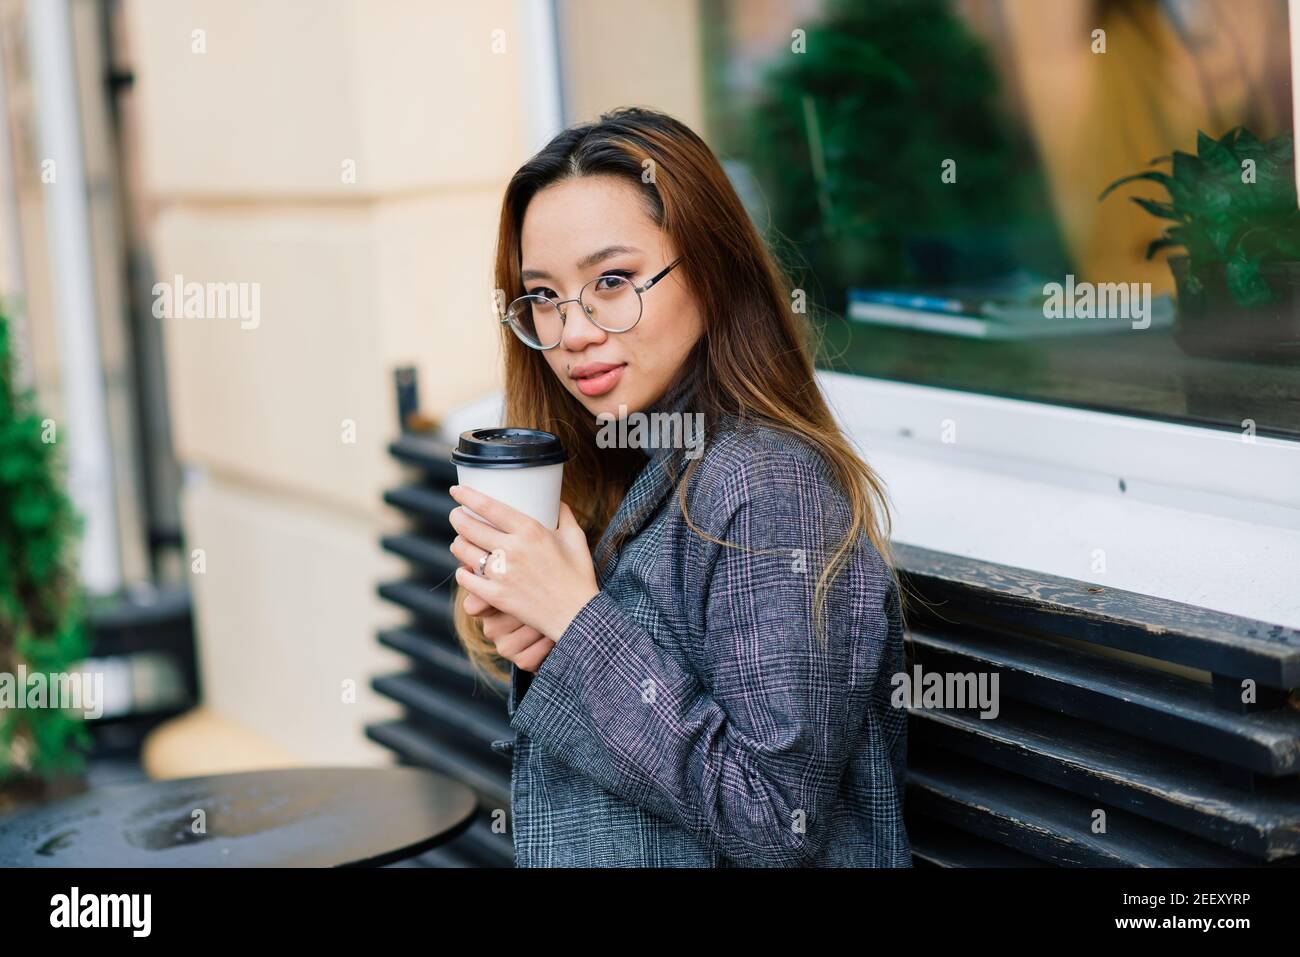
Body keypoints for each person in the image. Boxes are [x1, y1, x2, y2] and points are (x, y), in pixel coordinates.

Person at [448, 106, 910, 867]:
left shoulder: (768, 485)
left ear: (711, 268)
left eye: (613, 280)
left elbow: (776, 817)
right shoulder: (632, 458)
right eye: (544, 295)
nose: (574, 332)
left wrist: (575, 624)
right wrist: (542, 640)